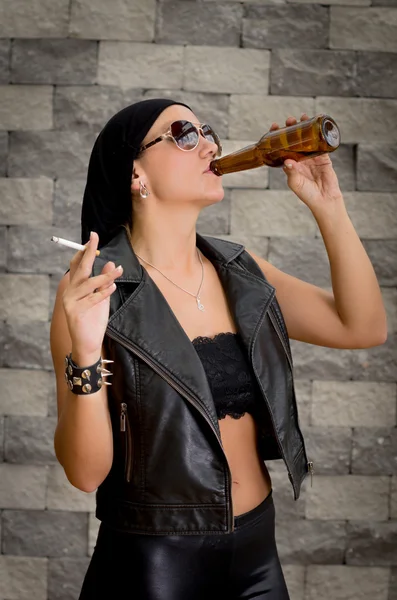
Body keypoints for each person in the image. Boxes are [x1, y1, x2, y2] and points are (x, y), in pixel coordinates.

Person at [50, 99, 387, 600]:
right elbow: (85, 473)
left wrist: (327, 203)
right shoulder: (94, 293)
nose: (209, 143)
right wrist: (84, 349)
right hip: (153, 566)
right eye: (184, 133)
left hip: (257, 556)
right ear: (136, 174)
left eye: (207, 131)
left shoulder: (241, 271)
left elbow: (363, 327)